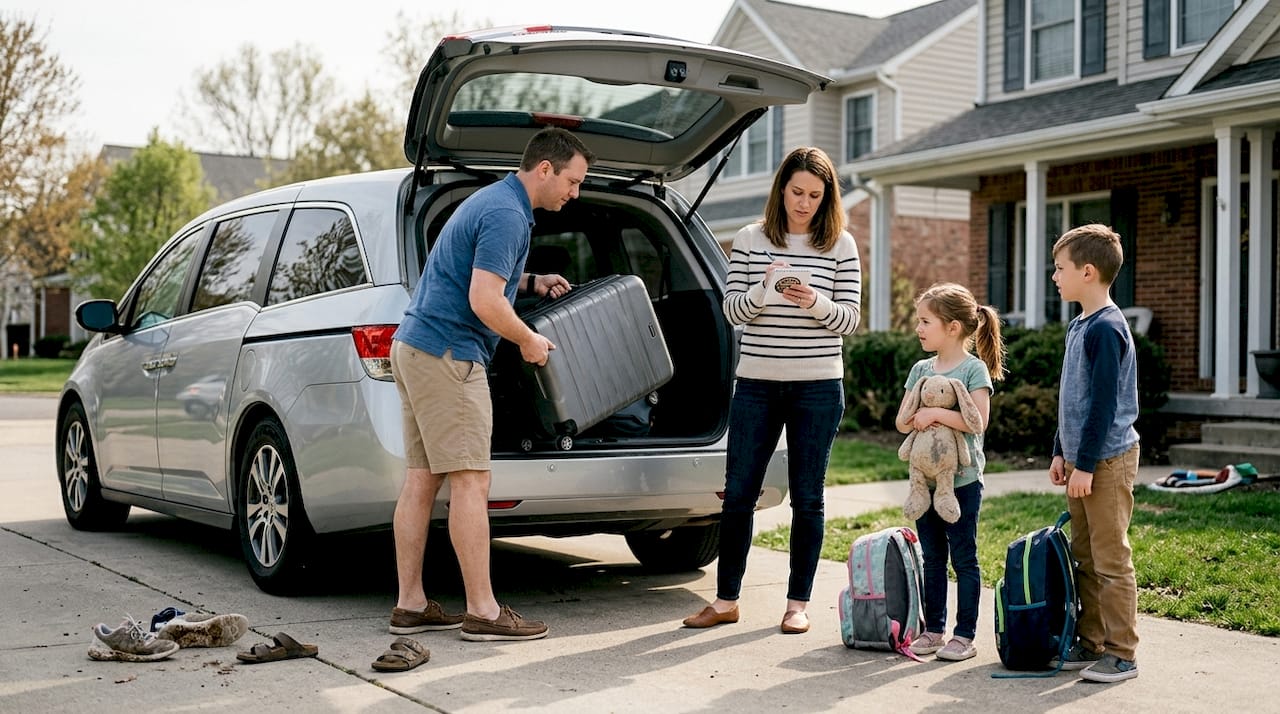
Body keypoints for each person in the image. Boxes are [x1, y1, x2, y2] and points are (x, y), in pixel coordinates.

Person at [387, 127, 595, 644]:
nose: (575, 193)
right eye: (573, 181)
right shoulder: (507, 214)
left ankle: (411, 604)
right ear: (544, 169)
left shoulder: (496, 201)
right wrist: (528, 339)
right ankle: (482, 611)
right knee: (471, 483)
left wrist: (532, 281)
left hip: (417, 346)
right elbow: (484, 299)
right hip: (450, 354)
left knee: (422, 479)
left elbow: (479, 276)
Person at [682, 147, 861, 634]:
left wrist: (815, 301)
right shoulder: (749, 239)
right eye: (797, 192)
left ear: (827, 199)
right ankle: (725, 601)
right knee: (738, 495)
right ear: (781, 188)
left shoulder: (840, 245)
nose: (804, 203)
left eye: (815, 196)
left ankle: (796, 605)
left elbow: (849, 319)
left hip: (818, 387)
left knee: (809, 498)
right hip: (758, 386)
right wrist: (764, 290)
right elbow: (733, 310)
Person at [1046, 224, 1141, 682]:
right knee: (1083, 554)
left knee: (1109, 558)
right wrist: (1060, 451)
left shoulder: (1107, 328)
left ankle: (1122, 653)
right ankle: (1092, 641)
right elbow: (1070, 398)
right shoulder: (1079, 324)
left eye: (1060, 268)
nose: (1054, 277)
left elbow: (1103, 405)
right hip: (1082, 460)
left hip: (1106, 461)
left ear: (1087, 271)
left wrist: (1085, 463)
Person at [895, 282, 1005, 661]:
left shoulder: (973, 369)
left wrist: (936, 413)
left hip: (962, 482)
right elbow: (904, 420)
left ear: (953, 327)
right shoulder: (920, 370)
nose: (918, 328)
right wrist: (915, 417)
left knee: (964, 558)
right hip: (923, 482)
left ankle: (964, 635)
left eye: (926, 321)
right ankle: (934, 630)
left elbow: (979, 422)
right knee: (932, 557)